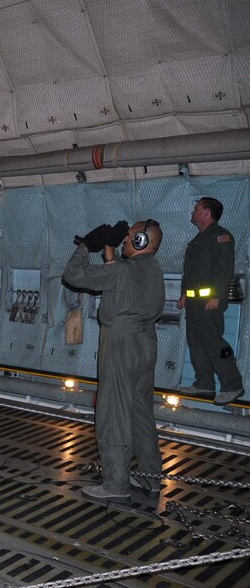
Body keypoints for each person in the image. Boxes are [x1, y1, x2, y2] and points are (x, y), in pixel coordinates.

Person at [63, 219, 165, 503]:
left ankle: (116, 483)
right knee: (140, 411)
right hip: (146, 343)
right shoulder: (153, 269)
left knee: (114, 411)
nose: (124, 241)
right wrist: (109, 249)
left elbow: (74, 275)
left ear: (139, 242)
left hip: (120, 343)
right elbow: (119, 277)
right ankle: (149, 477)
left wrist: (85, 246)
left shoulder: (122, 271)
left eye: (128, 238)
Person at [178, 197, 245, 406]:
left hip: (210, 301)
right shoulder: (198, 239)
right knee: (195, 341)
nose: (193, 212)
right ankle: (204, 383)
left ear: (206, 213)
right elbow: (190, 272)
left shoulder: (220, 236)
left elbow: (224, 268)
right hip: (195, 301)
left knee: (214, 341)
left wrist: (217, 295)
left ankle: (232, 385)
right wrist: (184, 294)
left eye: (196, 209)